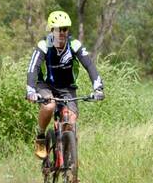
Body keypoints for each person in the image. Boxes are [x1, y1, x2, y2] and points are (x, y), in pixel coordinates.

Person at [25, 10, 104, 158]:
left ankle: (69, 163)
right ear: (51, 30)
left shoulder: (74, 44)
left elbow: (90, 66)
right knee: (49, 106)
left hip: (67, 87)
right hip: (45, 85)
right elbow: (32, 69)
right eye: (58, 29)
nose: (61, 33)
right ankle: (41, 136)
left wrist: (98, 88)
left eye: (65, 29)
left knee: (71, 121)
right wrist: (31, 90)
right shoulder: (44, 45)